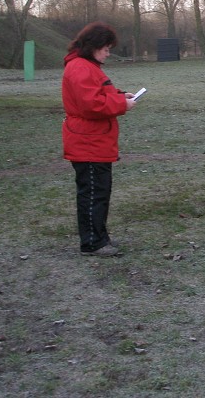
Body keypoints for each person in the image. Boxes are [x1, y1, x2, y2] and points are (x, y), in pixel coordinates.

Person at [62, 22, 137, 257]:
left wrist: (119, 95)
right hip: (88, 142)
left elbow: (97, 93)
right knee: (94, 193)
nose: (107, 52)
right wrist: (121, 104)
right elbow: (91, 104)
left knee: (98, 192)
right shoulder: (80, 68)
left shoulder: (86, 66)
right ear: (93, 46)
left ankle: (98, 238)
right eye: (105, 48)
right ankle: (92, 242)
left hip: (94, 140)